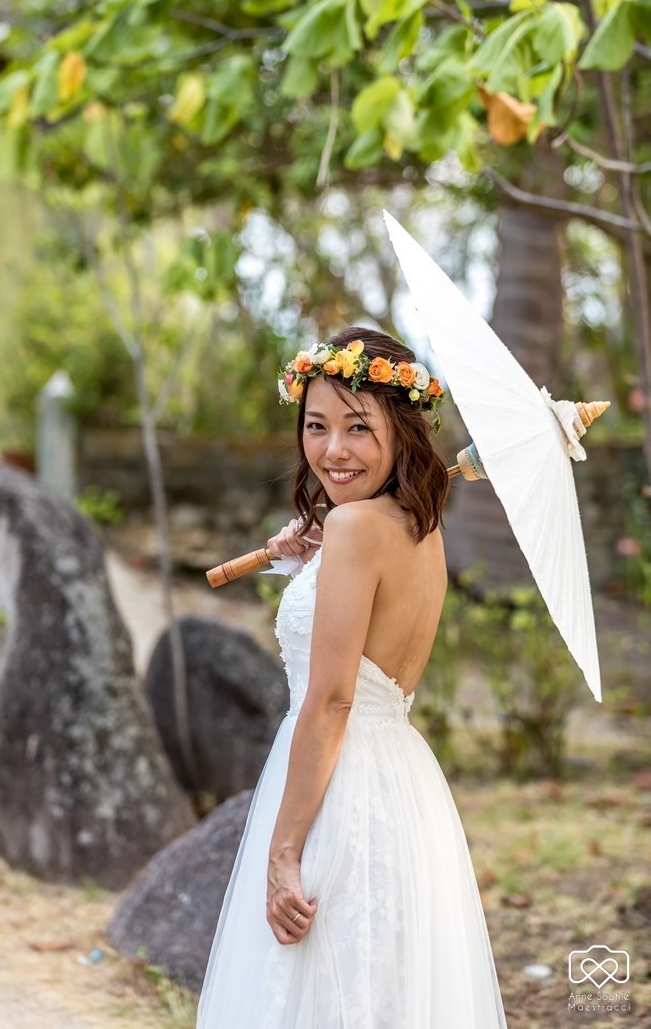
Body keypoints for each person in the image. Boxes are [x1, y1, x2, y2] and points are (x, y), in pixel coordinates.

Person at [196, 327, 507, 1028]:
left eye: (358, 428)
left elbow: (333, 698)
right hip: (398, 782)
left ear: (400, 431)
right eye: (317, 426)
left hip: (336, 783)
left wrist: (282, 854)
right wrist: (305, 559)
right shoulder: (416, 528)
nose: (333, 450)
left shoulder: (356, 529)